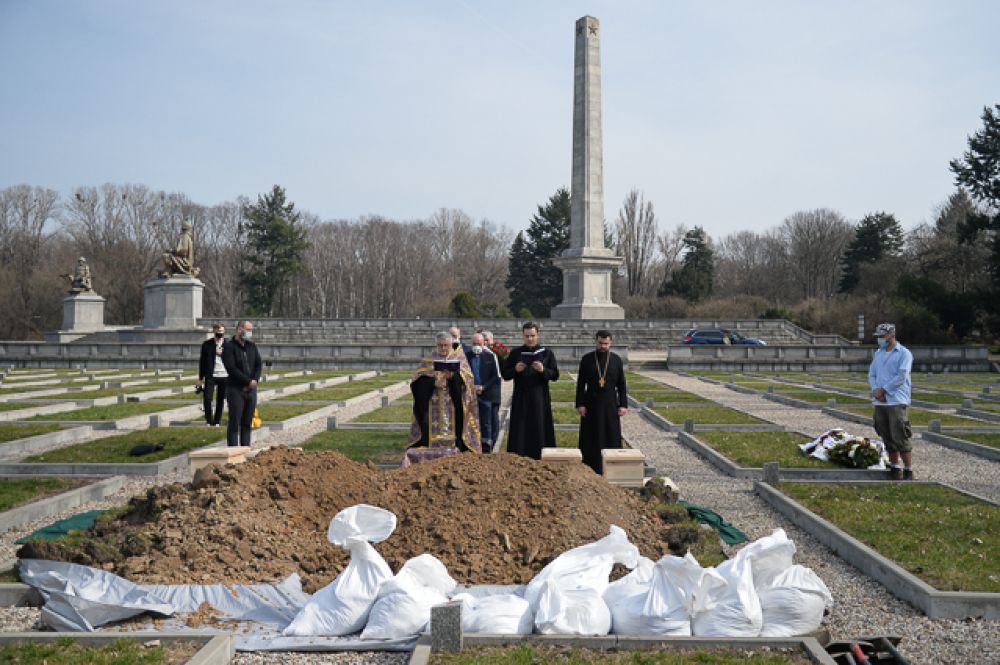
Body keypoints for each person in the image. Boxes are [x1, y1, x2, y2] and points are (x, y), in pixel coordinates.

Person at [403, 331, 482, 466]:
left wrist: (453, 378)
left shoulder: (459, 358)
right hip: (432, 405)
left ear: (451, 344)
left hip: (453, 404)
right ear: (436, 345)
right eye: (440, 345)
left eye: (446, 345)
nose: (444, 348)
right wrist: (432, 383)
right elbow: (416, 383)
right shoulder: (428, 360)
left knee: (456, 428)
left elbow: (468, 381)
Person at [501, 321, 558, 459]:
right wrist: (516, 369)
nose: (530, 339)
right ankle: (518, 456)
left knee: (540, 425)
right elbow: (505, 374)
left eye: (532, 335)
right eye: (527, 336)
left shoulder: (547, 353)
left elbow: (555, 375)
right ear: (523, 336)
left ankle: (540, 456)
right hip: (521, 395)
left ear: (538, 334)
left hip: (540, 396)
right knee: (520, 426)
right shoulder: (515, 353)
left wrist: (543, 370)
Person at [574, 330, 628, 474]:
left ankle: (612, 466)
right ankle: (589, 466)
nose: (603, 346)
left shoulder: (616, 360)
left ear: (610, 343)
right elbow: (580, 384)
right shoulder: (587, 359)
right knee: (590, 435)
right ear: (596, 341)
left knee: (611, 433)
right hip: (591, 401)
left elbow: (621, 384)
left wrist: (623, 404)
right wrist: (580, 404)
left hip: (610, 402)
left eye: (606, 343)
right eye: (600, 343)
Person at [868, 322, 914, 480]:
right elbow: (872, 374)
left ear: (892, 335)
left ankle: (908, 469)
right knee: (886, 435)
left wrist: (884, 390)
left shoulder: (904, 353)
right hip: (880, 401)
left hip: (896, 400)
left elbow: (901, 376)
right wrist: (875, 390)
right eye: (878, 336)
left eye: (882, 336)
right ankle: (895, 467)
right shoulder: (878, 353)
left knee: (900, 435)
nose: (880, 339)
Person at [221, 320, 261, 447]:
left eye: (251, 330)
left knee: (247, 423)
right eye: (248, 330)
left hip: (251, 390)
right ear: (239, 330)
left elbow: (258, 365)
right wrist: (247, 381)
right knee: (234, 424)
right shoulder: (229, 346)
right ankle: (233, 452)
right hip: (236, 390)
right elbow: (231, 368)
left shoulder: (252, 346)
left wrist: (254, 380)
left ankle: (245, 449)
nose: (250, 333)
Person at [466, 332, 501, 452]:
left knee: (487, 420)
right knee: (472, 420)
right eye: (474, 344)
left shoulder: (490, 356)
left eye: (479, 344)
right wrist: (472, 387)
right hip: (470, 393)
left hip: (486, 394)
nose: (477, 346)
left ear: (484, 343)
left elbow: (495, 376)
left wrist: (483, 387)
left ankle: (487, 444)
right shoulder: (466, 356)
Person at [197, 322, 228, 426]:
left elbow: (232, 360)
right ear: (214, 331)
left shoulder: (228, 344)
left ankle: (217, 421)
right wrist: (200, 378)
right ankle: (209, 420)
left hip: (224, 375)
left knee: (220, 400)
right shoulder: (207, 344)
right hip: (211, 375)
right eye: (218, 331)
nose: (220, 333)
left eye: (222, 332)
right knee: (207, 398)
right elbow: (202, 362)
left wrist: (222, 353)